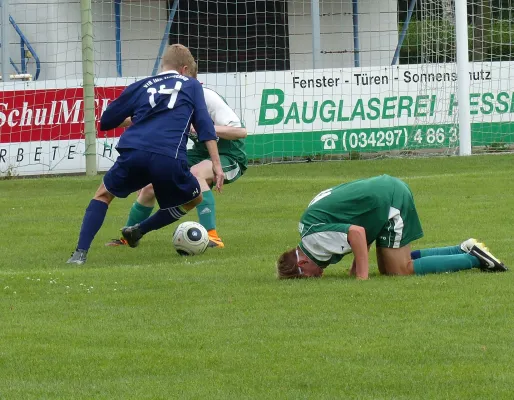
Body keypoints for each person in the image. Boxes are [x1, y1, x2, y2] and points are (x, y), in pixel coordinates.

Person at [67, 44, 224, 265]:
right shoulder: (191, 85)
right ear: (185, 69)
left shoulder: (140, 86)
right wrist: (216, 163)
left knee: (103, 194)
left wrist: (138, 117)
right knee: (194, 197)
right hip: (168, 156)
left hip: (135, 151)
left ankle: (79, 254)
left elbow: (106, 122)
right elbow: (204, 124)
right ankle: (139, 230)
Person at [105, 63, 247, 249]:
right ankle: (129, 236)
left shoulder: (207, 97)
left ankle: (212, 236)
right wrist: (109, 121)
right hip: (198, 154)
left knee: (197, 175)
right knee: (150, 186)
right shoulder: (175, 98)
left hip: (230, 155)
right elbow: (138, 117)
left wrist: (204, 128)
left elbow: (240, 132)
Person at [276, 174, 508, 279]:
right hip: (384, 193)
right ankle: (464, 249)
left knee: (400, 269)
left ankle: (474, 259)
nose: (315, 277)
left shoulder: (315, 241)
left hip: (389, 202)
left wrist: (362, 277)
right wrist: (355, 267)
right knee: (389, 266)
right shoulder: (307, 227)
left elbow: (357, 233)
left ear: (302, 261)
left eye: (306, 275)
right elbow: (356, 224)